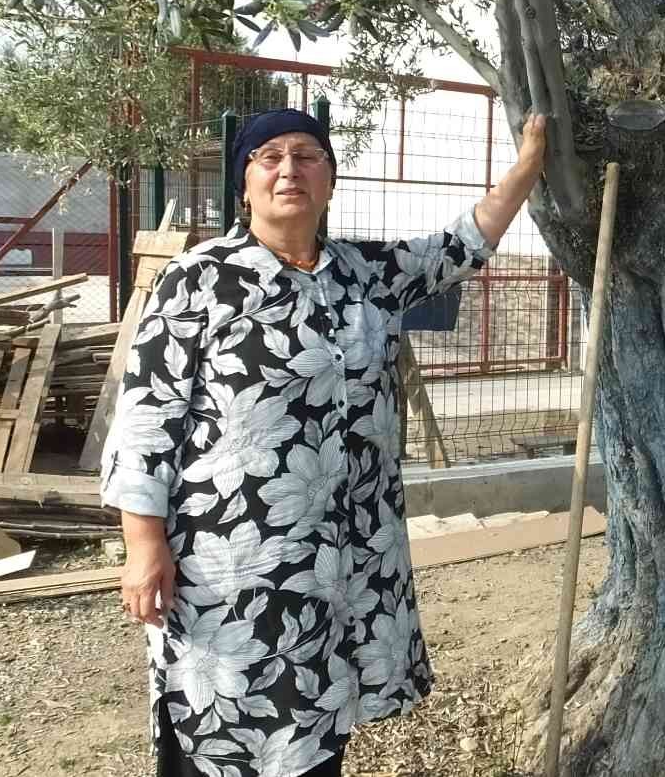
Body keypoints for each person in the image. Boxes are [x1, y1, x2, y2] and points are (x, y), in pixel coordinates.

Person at [100, 107, 547, 777]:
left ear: (330, 180)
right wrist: (143, 542)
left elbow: (464, 241)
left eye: (307, 155)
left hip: (337, 564)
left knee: (315, 723)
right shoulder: (199, 279)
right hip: (229, 567)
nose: (289, 169)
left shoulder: (364, 274)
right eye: (269, 157)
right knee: (215, 726)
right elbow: (144, 416)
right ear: (243, 184)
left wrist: (529, 163)